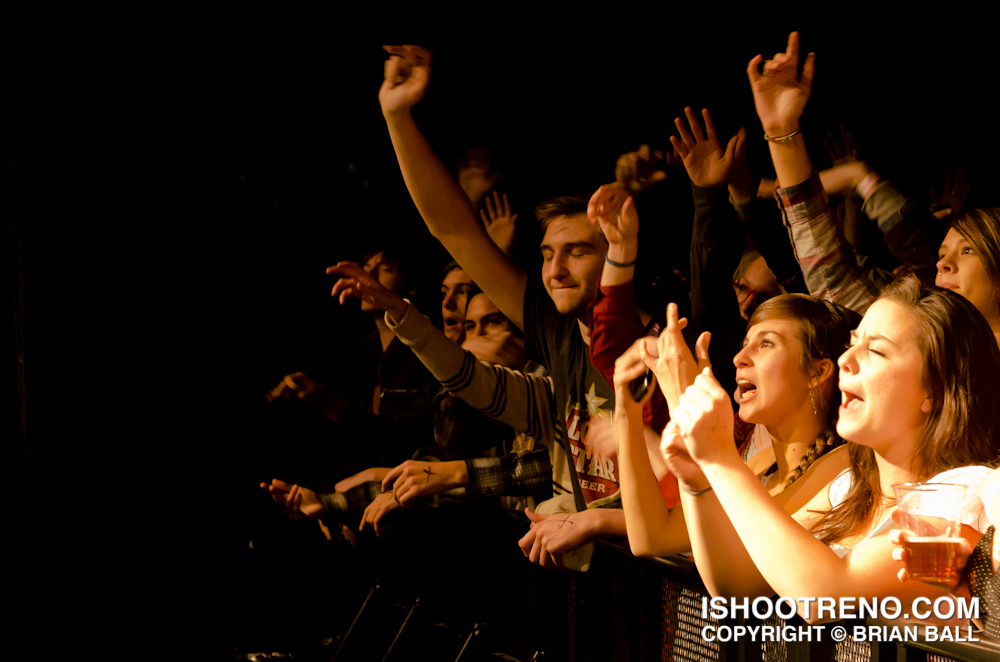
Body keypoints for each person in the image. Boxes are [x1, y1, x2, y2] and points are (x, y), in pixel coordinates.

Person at [658, 32, 1000, 618]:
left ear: (934, 392)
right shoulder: (853, 489)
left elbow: (831, 594)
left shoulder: (972, 494)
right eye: (853, 344)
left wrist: (722, 460)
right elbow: (743, 588)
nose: (844, 360)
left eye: (878, 352)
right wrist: (696, 480)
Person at [379, 44, 628, 568]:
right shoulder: (562, 336)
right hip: (600, 589)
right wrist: (397, 115)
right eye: (546, 254)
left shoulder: (659, 346)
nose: (555, 269)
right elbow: (453, 230)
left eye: (577, 251)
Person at [613, 293, 857, 557]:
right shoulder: (760, 463)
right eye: (744, 343)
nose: (739, 357)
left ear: (817, 372)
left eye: (766, 343)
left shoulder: (839, 469)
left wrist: (684, 402)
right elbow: (651, 539)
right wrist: (626, 411)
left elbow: (730, 564)